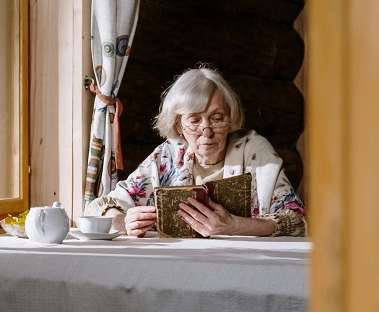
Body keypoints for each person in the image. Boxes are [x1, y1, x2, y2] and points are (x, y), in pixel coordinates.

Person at [84, 66, 306, 237]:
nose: (206, 132)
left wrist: (235, 226)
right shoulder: (169, 154)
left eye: (217, 118)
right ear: (179, 125)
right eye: (194, 120)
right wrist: (124, 222)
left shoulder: (254, 150)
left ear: (230, 120)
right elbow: (99, 209)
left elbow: (297, 221)